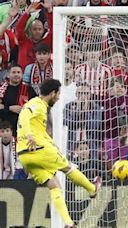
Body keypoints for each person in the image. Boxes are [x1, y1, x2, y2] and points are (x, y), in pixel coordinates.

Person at [16, 79, 102, 228]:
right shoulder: (38, 104)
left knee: (55, 187)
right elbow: (24, 116)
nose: (58, 97)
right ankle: (91, 188)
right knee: (67, 167)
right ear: (52, 93)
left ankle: (68, 223)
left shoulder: (34, 104)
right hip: (39, 149)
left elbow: (30, 120)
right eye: (58, 93)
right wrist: (29, 134)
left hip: (24, 156)